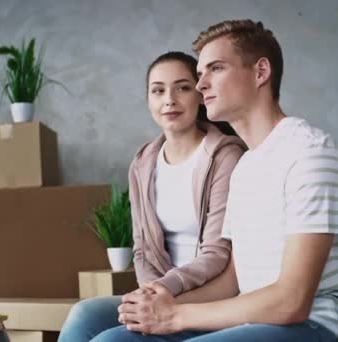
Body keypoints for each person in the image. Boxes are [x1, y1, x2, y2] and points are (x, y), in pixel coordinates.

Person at [101, 19, 338, 342]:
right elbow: (233, 280)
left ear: (261, 72)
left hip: (324, 325)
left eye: (215, 69)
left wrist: (176, 315)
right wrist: (157, 305)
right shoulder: (246, 166)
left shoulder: (311, 155)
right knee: (104, 328)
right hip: (257, 319)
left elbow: (292, 301)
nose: (201, 85)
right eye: (200, 73)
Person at [58, 51, 246, 342]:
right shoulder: (143, 162)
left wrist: (162, 292)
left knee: (109, 340)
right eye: (158, 91)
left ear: (199, 94)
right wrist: (149, 296)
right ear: (148, 100)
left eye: (182, 87)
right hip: (161, 291)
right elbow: (142, 249)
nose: (169, 99)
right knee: (85, 314)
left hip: (210, 297)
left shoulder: (225, 156)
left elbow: (217, 253)